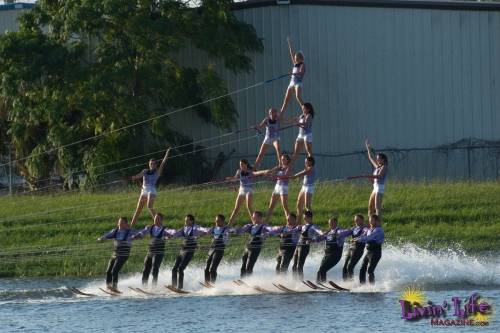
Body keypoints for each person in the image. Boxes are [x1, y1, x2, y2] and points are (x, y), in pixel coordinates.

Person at [129, 148, 171, 227]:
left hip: (151, 190)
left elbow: (163, 163)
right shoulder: (145, 171)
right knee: (138, 210)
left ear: (156, 165)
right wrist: (133, 177)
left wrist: (167, 154)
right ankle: (130, 228)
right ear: (149, 164)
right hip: (144, 191)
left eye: (154, 164)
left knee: (149, 206)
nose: (152, 165)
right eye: (151, 163)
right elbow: (138, 175)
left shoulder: (157, 172)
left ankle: (159, 225)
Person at [132, 213, 173, 287]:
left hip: (159, 252)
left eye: (157, 219)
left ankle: (154, 287)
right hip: (150, 251)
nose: (155, 220)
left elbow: (171, 233)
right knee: (145, 270)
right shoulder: (150, 227)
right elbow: (142, 233)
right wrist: (135, 236)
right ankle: (144, 287)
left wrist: (168, 236)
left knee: (155, 269)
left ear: (161, 220)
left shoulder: (165, 229)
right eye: (155, 218)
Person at [169, 214, 209, 290]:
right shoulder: (184, 229)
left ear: (191, 221)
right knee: (174, 269)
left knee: (180, 269)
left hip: (189, 252)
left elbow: (202, 229)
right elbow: (176, 234)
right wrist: (169, 236)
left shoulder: (195, 228)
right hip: (182, 251)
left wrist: (206, 231)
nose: (185, 222)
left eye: (187, 220)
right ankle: (173, 286)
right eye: (185, 220)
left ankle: (180, 288)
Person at [98, 217, 137, 291]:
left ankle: (115, 287)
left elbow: (138, 234)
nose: (120, 224)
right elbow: (107, 235)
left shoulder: (130, 232)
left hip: (124, 254)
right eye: (119, 223)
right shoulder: (115, 231)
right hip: (115, 254)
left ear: (126, 224)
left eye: (122, 223)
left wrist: (135, 236)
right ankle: (108, 287)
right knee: (108, 271)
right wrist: (101, 238)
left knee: (114, 271)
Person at [227, 159, 270, 225]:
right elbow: (235, 179)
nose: (241, 166)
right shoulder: (239, 171)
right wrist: (230, 179)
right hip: (242, 190)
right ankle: (229, 225)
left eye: (242, 164)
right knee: (236, 208)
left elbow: (257, 173)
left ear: (246, 164)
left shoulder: (250, 171)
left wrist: (265, 171)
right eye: (240, 164)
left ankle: (254, 223)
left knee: (249, 206)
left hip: (249, 189)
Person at [352, 140, 388, 216]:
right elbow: (371, 157)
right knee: (370, 207)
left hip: (379, 188)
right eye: (377, 158)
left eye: (379, 159)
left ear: (383, 159)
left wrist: (367, 176)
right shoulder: (378, 167)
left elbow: (379, 176)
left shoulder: (384, 167)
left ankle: (379, 225)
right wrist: (368, 148)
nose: (377, 160)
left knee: (377, 207)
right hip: (375, 188)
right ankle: (371, 224)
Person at [316, 217, 353, 283]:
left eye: (332, 223)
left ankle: (324, 284)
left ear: (336, 223)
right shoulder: (328, 233)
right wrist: (311, 240)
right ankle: (318, 285)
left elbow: (348, 232)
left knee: (322, 269)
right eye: (329, 224)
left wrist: (340, 234)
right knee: (319, 271)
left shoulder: (339, 231)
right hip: (327, 255)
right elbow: (319, 239)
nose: (330, 225)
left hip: (335, 255)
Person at [236, 211, 273, 278]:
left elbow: (271, 230)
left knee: (249, 267)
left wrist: (268, 233)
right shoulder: (250, 226)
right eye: (253, 218)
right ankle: (242, 280)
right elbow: (241, 230)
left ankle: (250, 282)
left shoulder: (264, 226)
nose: (253, 219)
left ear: (260, 218)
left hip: (256, 248)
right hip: (247, 247)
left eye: (255, 218)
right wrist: (236, 229)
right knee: (243, 267)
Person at [354, 214, 385, 284]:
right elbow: (363, 235)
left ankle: (372, 288)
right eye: (370, 221)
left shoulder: (379, 230)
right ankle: (362, 285)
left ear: (376, 221)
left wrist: (359, 240)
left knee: (370, 270)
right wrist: (356, 238)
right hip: (368, 252)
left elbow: (370, 237)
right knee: (362, 269)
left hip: (375, 252)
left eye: (372, 221)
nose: (370, 222)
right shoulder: (369, 229)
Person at [292, 210, 323, 280]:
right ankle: (294, 281)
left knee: (299, 266)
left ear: (310, 218)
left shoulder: (313, 226)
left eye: (305, 218)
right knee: (294, 266)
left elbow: (318, 233)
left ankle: (300, 281)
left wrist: (314, 238)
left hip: (304, 247)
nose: (304, 219)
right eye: (304, 218)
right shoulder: (303, 226)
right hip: (298, 246)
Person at [204, 214, 233, 284]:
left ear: (223, 221)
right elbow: (205, 232)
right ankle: (207, 283)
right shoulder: (214, 228)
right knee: (206, 268)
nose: (217, 222)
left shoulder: (226, 229)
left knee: (212, 269)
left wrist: (227, 236)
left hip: (219, 251)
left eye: (218, 221)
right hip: (212, 250)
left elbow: (228, 241)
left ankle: (212, 284)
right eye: (216, 221)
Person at [280, 37, 305, 113]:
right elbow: (291, 52)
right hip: (292, 83)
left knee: (298, 96)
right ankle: (281, 115)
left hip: (298, 83)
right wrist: (289, 44)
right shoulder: (295, 64)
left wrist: (293, 73)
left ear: (300, 59)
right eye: (295, 58)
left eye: (297, 58)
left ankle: (305, 110)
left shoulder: (302, 65)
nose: (295, 60)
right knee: (286, 100)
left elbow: (301, 73)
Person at [265, 153, 292, 223]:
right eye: (281, 159)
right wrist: (269, 174)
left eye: (284, 159)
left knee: (285, 206)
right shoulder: (279, 167)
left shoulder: (289, 167)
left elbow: (285, 176)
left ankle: (289, 223)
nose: (282, 160)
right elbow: (271, 172)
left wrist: (275, 176)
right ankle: (265, 222)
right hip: (277, 187)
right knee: (271, 205)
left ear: (287, 160)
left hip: (283, 188)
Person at [342, 214, 368, 281]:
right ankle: (345, 283)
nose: (356, 222)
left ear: (362, 220)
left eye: (358, 220)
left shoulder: (365, 228)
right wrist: (339, 234)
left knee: (350, 267)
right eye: (355, 220)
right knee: (344, 267)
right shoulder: (354, 228)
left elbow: (365, 233)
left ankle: (351, 283)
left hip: (358, 249)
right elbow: (346, 233)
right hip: (350, 248)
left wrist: (357, 238)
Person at [293, 156, 315, 224]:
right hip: (304, 187)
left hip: (309, 187)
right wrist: (295, 176)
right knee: (299, 204)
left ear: (310, 162)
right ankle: (298, 222)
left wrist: (295, 176)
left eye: (306, 161)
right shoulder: (307, 168)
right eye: (305, 162)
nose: (305, 163)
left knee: (307, 205)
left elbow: (304, 172)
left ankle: (310, 222)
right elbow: (304, 172)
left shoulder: (311, 168)